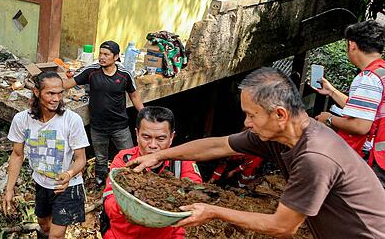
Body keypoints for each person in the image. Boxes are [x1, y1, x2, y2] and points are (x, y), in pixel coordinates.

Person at [130, 67, 385, 239]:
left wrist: (213, 211)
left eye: (251, 115)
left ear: (280, 114)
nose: (247, 122)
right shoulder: (278, 135)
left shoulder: (314, 157)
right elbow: (218, 145)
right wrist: (160, 156)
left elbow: (283, 226)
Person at [1, 71, 90, 239]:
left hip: (66, 185)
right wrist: (9, 188)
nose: (56, 99)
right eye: (50, 93)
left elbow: (81, 159)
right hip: (41, 182)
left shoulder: (72, 120)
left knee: (56, 235)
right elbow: (17, 155)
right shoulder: (22, 120)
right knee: (43, 224)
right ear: (37, 92)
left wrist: (69, 174)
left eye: (60, 93)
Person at [102, 106, 202, 239]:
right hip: (123, 235)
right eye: (146, 137)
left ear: (171, 137)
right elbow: (109, 201)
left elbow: (195, 197)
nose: (153, 145)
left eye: (161, 138)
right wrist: (128, 206)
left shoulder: (183, 162)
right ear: (137, 134)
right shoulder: (125, 159)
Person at [312, 20, 385, 187]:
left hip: (378, 160)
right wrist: (331, 91)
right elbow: (364, 110)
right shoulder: (381, 72)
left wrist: (329, 119)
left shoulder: (368, 79)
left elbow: (360, 125)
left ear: (352, 45)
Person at [62, 40, 143, 187]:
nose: (102, 57)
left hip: (120, 126)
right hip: (98, 126)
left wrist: (144, 114)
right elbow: (69, 83)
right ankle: (101, 182)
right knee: (100, 158)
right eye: (100, 53)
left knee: (128, 156)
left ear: (116, 57)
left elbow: (134, 95)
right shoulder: (91, 71)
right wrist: (48, 86)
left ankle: (132, 182)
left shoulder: (124, 74)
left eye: (106, 54)